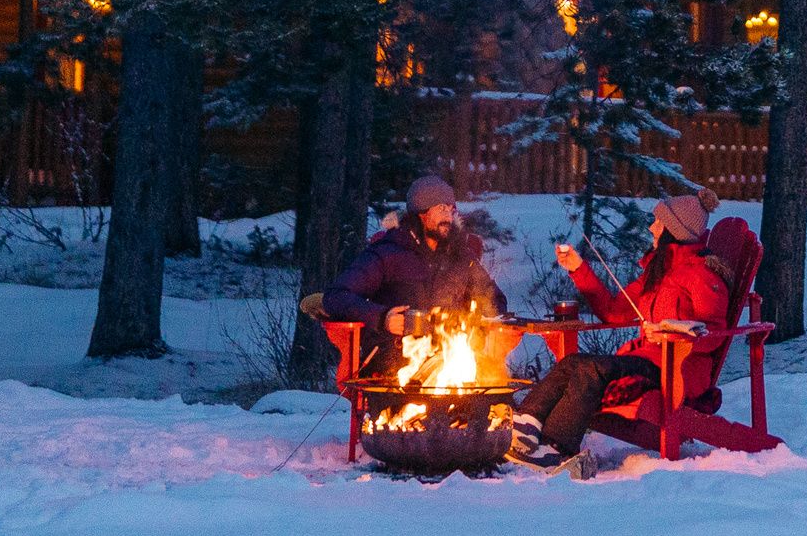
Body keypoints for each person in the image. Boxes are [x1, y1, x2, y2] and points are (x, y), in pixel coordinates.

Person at [512, 190, 762, 463]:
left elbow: (712, 332)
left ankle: (557, 447)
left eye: (658, 222)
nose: (651, 227)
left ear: (673, 230)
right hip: (645, 361)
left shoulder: (702, 274)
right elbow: (613, 311)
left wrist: (672, 333)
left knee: (593, 370)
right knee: (574, 362)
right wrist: (579, 269)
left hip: (676, 370)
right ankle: (526, 422)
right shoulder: (658, 271)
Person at [322, 177, 506, 377]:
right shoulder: (388, 254)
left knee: (489, 387)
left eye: (451, 209)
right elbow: (335, 296)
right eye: (440, 208)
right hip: (397, 364)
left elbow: (495, 299)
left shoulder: (460, 256)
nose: (449, 216)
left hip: (453, 360)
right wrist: (383, 318)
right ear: (421, 214)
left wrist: (475, 321)